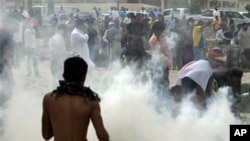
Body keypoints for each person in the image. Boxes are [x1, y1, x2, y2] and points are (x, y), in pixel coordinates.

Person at [42, 56, 109, 141]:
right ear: (84, 78)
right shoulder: (91, 102)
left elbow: (46, 135)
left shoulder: (49, 99)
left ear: (63, 76)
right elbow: (102, 136)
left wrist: (58, 123)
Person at [149, 21, 172, 95]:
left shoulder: (164, 39)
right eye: (156, 31)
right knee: (156, 86)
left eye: (160, 31)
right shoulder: (153, 40)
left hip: (164, 66)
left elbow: (169, 52)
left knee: (165, 85)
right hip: (156, 66)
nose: (158, 33)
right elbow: (159, 53)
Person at [49, 23, 70, 89]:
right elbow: (62, 52)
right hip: (59, 62)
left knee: (55, 79)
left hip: (54, 61)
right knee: (59, 80)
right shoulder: (60, 38)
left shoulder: (53, 37)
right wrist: (72, 54)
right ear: (62, 30)